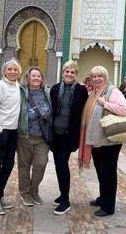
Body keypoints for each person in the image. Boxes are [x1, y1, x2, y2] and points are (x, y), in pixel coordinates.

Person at [79, 66, 126, 217]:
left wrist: (104, 103)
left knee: (109, 172)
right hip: (97, 140)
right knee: (101, 171)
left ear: (105, 77)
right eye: (94, 77)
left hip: (109, 141)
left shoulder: (112, 91)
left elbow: (123, 109)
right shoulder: (94, 92)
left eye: (100, 76)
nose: (97, 79)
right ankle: (103, 198)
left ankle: (108, 206)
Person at [50, 60, 88, 215]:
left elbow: (85, 111)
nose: (69, 74)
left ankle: (65, 199)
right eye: (67, 71)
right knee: (59, 164)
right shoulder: (54, 89)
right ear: (63, 72)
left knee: (61, 163)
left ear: (76, 74)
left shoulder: (81, 90)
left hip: (69, 134)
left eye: (72, 72)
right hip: (55, 134)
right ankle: (62, 193)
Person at [0, 58, 22, 215]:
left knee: (8, 165)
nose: (13, 72)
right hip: (0, 131)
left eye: (15, 69)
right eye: (10, 69)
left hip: (13, 132)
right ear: (4, 71)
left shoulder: (18, 87)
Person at [17, 66, 52, 207]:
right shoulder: (21, 92)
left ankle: (34, 190)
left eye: (39, 76)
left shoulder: (47, 92)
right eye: (34, 76)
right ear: (28, 78)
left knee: (41, 163)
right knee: (24, 165)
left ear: (42, 79)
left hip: (42, 137)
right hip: (25, 135)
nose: (36, 78)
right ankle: (25, 193)